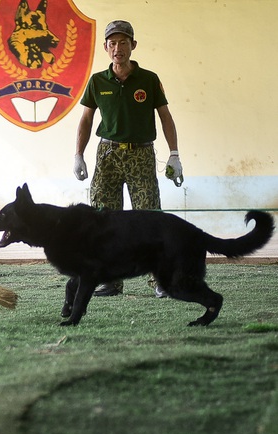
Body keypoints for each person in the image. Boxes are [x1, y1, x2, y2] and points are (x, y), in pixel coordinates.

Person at [73, 20, 183, 298]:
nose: (118, 48)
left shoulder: (148, 79)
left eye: (123, 42)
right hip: (107, 154)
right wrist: (78, 155)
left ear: (133, 46)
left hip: (141, 154)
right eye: (112, 43)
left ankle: (159, 281)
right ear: (106, 48)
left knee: (149, 218)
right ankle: (110, 281)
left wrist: (174, 154)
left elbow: (165, 116)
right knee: (102, 219)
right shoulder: (97, 81)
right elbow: (86, 119)